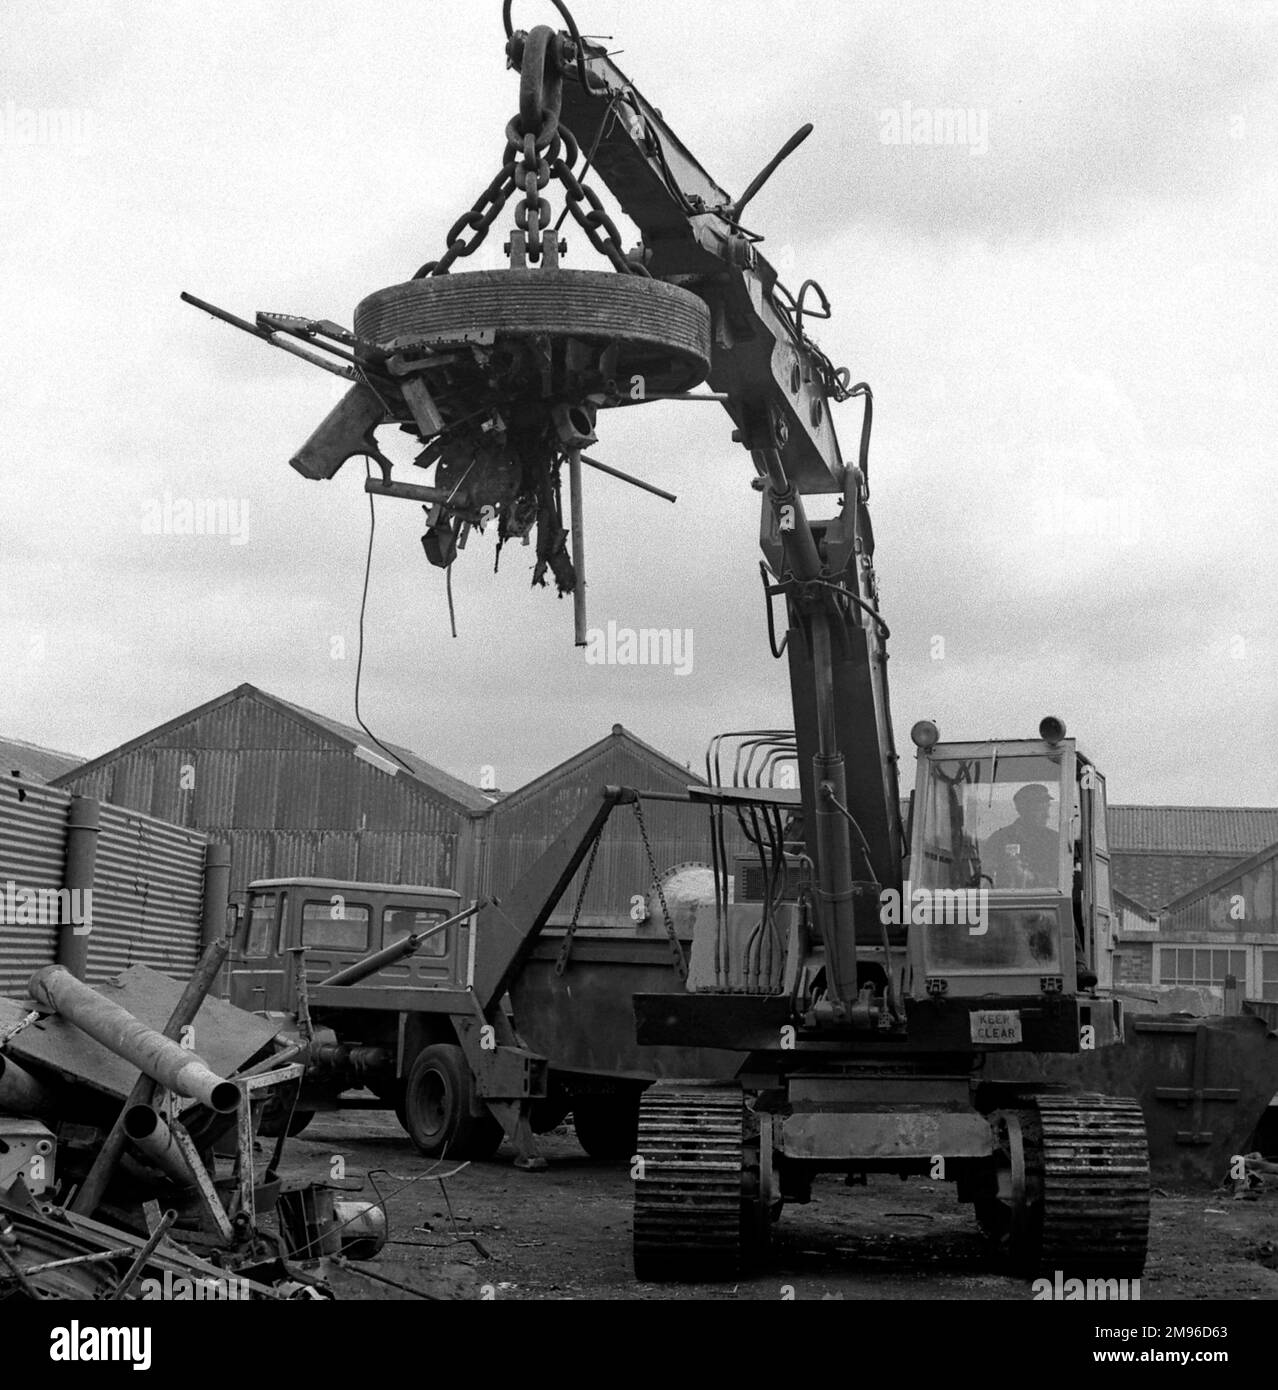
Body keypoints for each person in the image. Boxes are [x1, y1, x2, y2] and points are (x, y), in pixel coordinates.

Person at [982, 784, 1060, 889]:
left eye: (1047, 809)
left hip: (1048, 903)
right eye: (1040, 810)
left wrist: (1031, 877)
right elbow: (986, 879)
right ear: (1023, 809)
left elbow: (1061, 881)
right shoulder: (999, 840)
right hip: (1005, 901)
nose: (1047, 815)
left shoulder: (1055, 841)